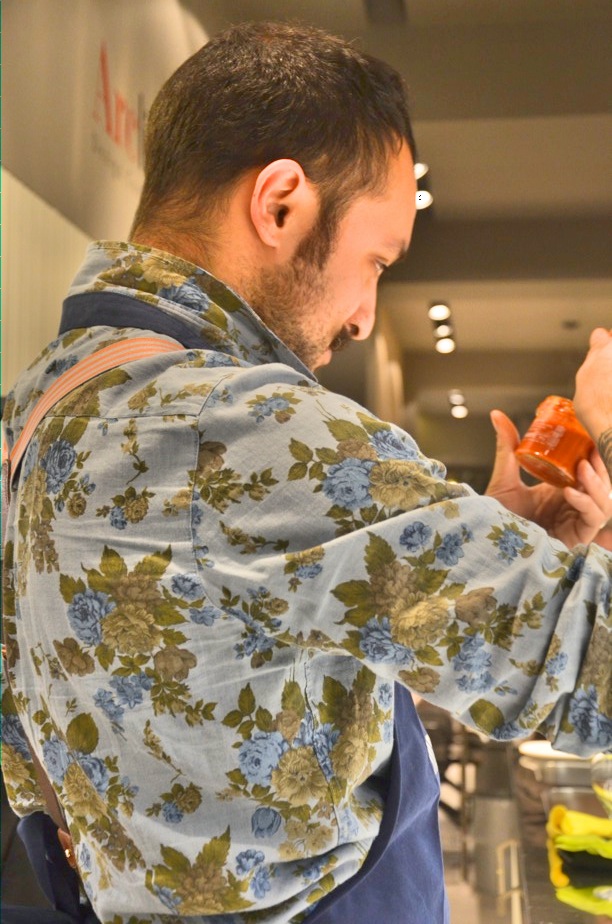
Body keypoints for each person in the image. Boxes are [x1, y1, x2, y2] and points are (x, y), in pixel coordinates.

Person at [2, 21, 611, 924]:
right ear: (281, 203)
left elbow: (234, 665)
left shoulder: (43, 404)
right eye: (376, 261)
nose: (365, 316)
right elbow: (594, 669)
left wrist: (479, 552)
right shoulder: (248, 431)